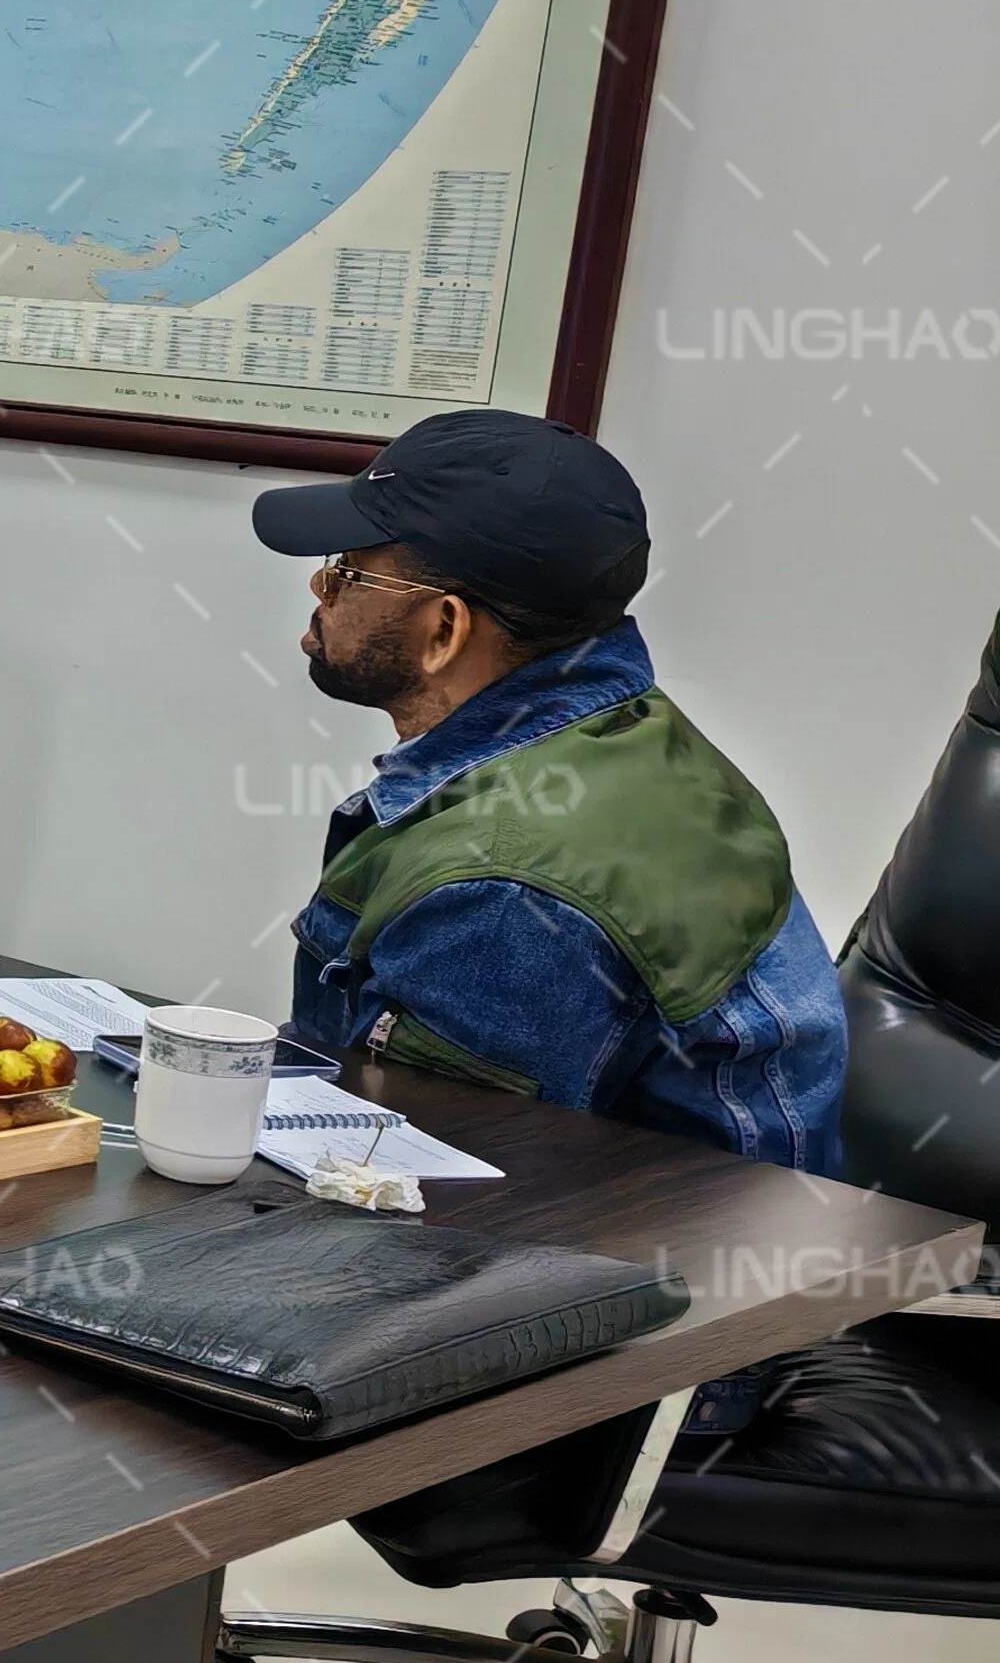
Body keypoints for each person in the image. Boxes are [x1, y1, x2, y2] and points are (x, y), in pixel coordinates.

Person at [255, 408, 846, 1169]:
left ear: (445, 630)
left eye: (348, 570)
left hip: (651, 1269)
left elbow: (406, 1186)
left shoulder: (508, 887)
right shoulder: (624, 737)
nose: (319, 584)